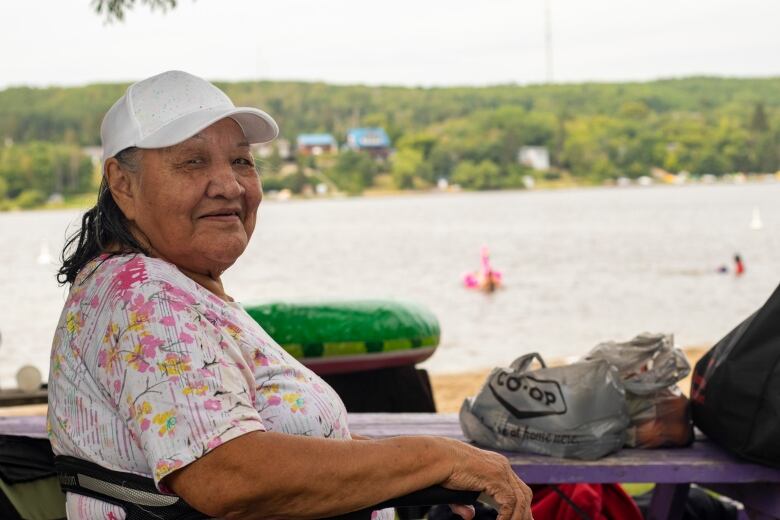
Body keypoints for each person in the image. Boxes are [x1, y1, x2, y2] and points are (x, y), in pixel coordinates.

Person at [47, 71, 532, 520]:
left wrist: (415, 478)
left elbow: (261, 447)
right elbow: (228, 475)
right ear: (122, 183)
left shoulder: (163, 287)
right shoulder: (143, 298)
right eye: (193, 162)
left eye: (241, 160)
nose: (229, 185)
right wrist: (435, 456)